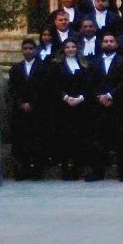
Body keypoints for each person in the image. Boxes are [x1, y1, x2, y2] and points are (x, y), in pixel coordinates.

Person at [88, 32, 123, 182]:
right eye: (105, 41)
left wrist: (110, 96)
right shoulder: (94, 62)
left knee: (121, 140)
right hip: (99, 107)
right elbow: (90, 83)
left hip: (117, 105)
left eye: (111, 41)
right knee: (98, 140)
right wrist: (99, 96)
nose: (108, 43)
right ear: (101, 44)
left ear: (116, 44)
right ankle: (97, 172)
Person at [49, 39, 93, 180]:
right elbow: (54, 85)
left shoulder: (84, 64)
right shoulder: (57, 65)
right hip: (63, 107)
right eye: (67, 47)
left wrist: (80, 98)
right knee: (64, 138)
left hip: (81, 107)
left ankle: (77, 168)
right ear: (63, 49)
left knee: (79, 137)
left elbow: (88, 85)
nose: (70, 49)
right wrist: (66, 98)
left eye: (73, 46)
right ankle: (65, 169)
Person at [8, 39, 48, 180]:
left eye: (31, 48)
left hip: (38, 110)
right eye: (25, 48)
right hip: (20, 111)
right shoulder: (16, 69)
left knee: (37, 140)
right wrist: (21, 103)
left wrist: (32, 103)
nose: (28, 51)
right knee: (21, 141)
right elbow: (12, 89)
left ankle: (37, 171)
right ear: (22, 50)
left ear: (35, 50)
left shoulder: (43, 67)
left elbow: (44, 89)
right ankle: (22, 170)